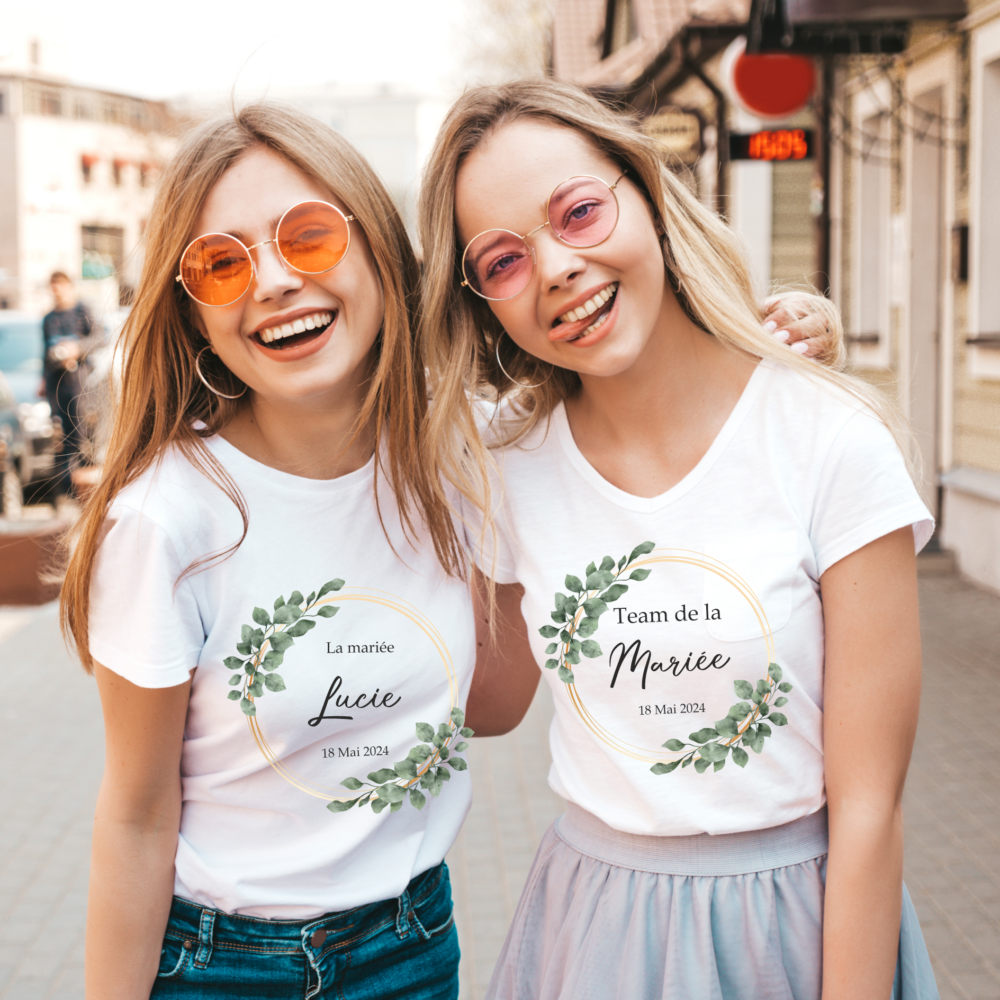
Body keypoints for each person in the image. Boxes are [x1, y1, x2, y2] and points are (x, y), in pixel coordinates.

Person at [417, 79, 938, 1000]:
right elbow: (488, 705)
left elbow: (871, 810)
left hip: (798, 921)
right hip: (594, 925)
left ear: (647, 196)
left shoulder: (823, 436)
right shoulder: (507, 465)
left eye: (578, 213)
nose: (554, 269)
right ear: (480, 303)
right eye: (501, 261)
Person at [61, 105, 476, 999]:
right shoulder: (169, 521)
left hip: (410, 946)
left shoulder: (462, 460)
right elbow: (135, 818)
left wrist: (769, 340)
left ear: (379, 250)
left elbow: (504, 708)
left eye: (311, 237)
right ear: (193, 314)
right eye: (222, 263)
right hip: (219, 969)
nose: (278, 280)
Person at [42, 271, 98, 502]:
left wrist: (77, 349)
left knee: (82, 438)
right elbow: (45, 352)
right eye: (54, 287)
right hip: (58, 386)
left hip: (81, 385)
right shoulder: (48, 319)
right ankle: (66, 497)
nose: (58, 292)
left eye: (61, 287)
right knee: (62, 441)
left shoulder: (82, 311)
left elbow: (100, 337)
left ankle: (86, 494)